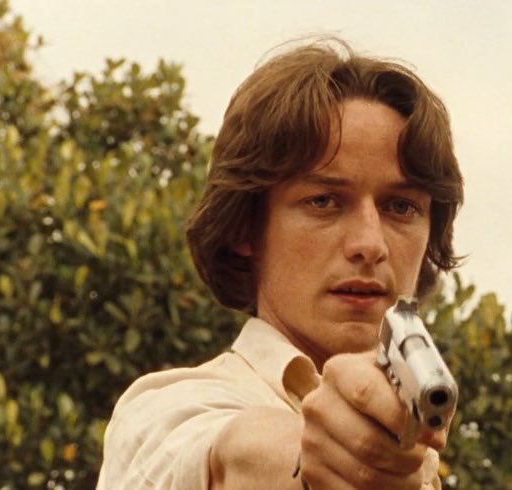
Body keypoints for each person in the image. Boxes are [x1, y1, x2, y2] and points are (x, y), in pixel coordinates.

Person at [97, 37, 464, 489]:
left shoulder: (420, 456)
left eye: (401, 207)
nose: (370, 244)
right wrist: (308, 463)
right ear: (245, 229)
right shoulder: (163, 414)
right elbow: (229, 453)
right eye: (324, 201)